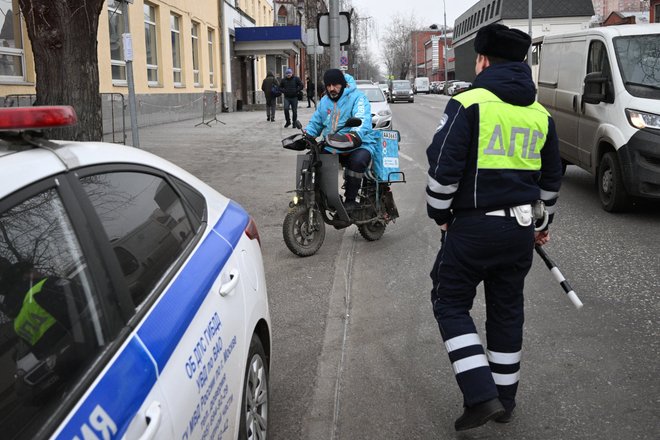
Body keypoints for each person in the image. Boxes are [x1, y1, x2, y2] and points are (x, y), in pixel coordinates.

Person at [425, 23, 562, 431]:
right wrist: (541, 224)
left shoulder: (469, 103)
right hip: (519, 231)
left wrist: (441, 216)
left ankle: (480, 394)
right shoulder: (540, 114)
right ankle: (505, 399)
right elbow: (551, 180)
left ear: (482, 60)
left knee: (449, 302)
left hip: (472, 230)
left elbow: (443, 171)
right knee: (506, 312)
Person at [304, 69, 378, 213]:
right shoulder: (325, 101)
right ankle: (324, 198)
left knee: (357, 162)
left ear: (343, 84)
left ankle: (350, 200)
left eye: (335, 85)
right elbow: (316, 122)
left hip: (359, 144)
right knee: (312, 159)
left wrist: (354, 135)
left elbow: (362, 119)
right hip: (334, 144)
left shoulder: (357, 98)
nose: (332, 88)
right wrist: (307, 136)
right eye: (328, 85)